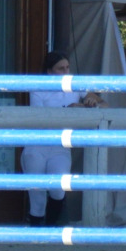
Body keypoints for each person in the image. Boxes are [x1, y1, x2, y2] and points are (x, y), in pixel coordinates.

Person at [22, 51, 100, 224]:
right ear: (49, 71)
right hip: (38, 145)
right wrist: (69, 109)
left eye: (67, 67)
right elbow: (40, 117)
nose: (66, 72)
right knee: (37, 196)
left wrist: (88, 103)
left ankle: (50, 232)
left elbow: (103, 104)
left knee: (58, 189)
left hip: (60, 146)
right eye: (60, 69)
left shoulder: (76, 85)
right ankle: (36, 235)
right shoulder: (38, 87)